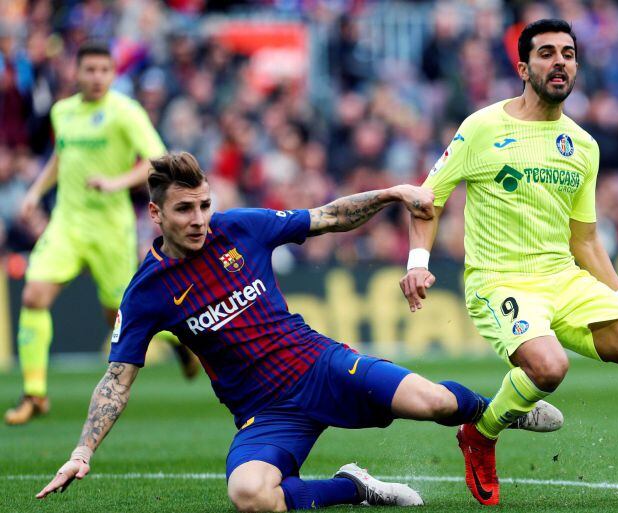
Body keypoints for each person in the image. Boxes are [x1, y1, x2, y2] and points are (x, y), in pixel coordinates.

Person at [35, 152, 563, 511]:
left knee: (434, 404)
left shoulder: (240, 226)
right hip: (265, 413)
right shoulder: (146, 292)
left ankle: (499, 413)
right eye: (184, 210)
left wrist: (393, 193)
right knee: (250, 495)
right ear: (155, 214)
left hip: (321, 365)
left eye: (203, 205)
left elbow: (329, 217)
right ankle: (352, 487)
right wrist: (82, 451)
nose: (199, 219)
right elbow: (116, 380)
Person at [399, 19, 618, 506]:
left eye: (568, 54)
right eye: (547, 53)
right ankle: (480, 435)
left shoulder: (582, 146)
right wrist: (417, 261)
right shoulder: (482, 127)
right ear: (523, 67)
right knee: (549, 368)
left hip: (564, 280)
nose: (560, 62)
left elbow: (586, 241)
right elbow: (428, 200)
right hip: (499, 280)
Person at [5, 41, 198, 426]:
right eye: (89, 70)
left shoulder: (125, 113)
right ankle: (34, 393)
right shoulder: (63, 112)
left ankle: (179, 341)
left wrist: (116, 182)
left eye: (104, 71)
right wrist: (35, 192)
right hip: (66, 222)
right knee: (33, 295)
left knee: (120, 316)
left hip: (110, 228)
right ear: (76, 73)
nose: (96, 78)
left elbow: (157, 160)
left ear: (112, 74)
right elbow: (62, 157)